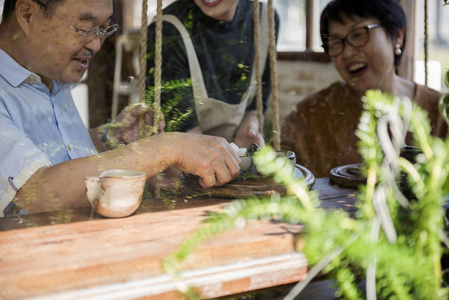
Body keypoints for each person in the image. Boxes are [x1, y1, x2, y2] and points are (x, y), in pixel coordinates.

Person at [0, 0, 241, 217]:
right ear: (28, 14)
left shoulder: (49, 72)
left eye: (104, 28)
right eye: (85, 27)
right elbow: (39, 191)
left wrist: (110, 137)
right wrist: (166, 148)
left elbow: (57, 153)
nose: (96, 44)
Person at [281, 0, 448, 178]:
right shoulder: (308, 117)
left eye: (359, 35)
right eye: (336, 43)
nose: (347, 52)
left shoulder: (441, 113)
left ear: (397, 36)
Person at [145, 0, 279, 148]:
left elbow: (257, 102)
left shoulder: (265, 20)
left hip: (235, 156)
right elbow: (182, 132)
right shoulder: (166, 31)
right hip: (183, 157)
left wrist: (250, 126)